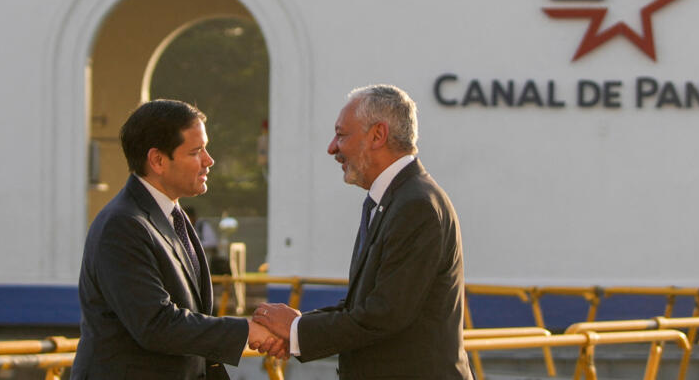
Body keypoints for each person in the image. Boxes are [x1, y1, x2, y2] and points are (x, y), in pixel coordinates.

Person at [253, 85, 472, 379]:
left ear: (378, 135)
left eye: (341, 135)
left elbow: (385, 314)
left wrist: (295, 330)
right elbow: (364, 306)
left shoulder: (416, 205)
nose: (332, 147)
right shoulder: (390, 200)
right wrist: (297, 328)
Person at [71, 99, 283, 380]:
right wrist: (246, 331)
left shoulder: (173, 215)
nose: (209, 161)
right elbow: (155, 324)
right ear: (158, 160)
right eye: (196, 152)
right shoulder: (123, 225)